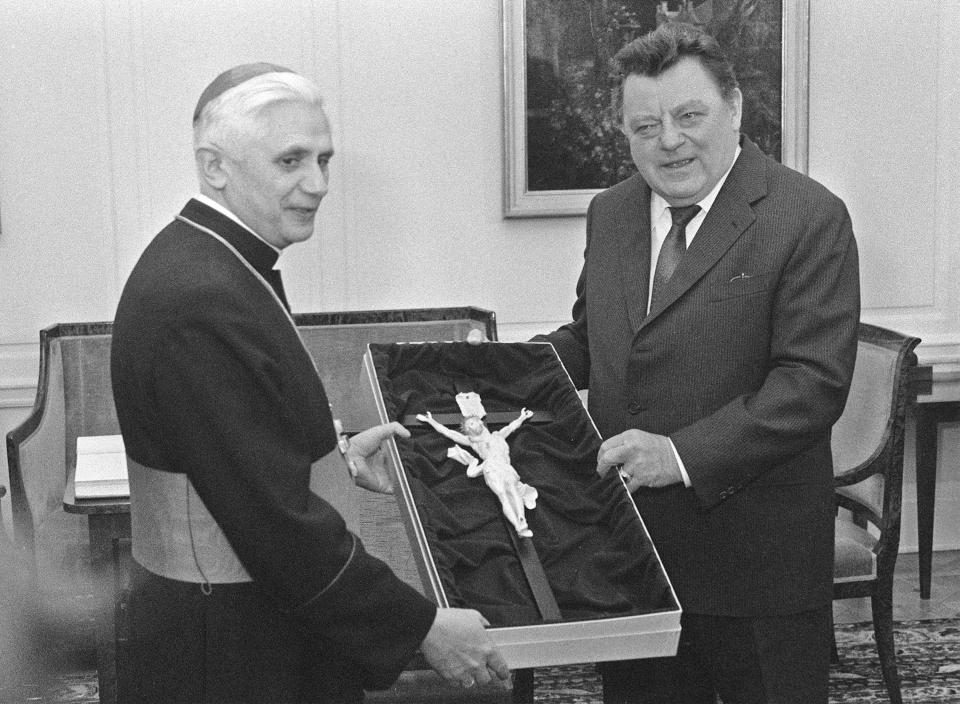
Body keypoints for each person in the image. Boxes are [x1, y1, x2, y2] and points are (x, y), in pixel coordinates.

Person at [110, 63, 510, 704]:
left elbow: (234, 452)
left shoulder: (217, 260)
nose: (318, 183)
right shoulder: (200, 297)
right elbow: (271, 522)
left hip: (243, 623)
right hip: (229, 648)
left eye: (323, 159)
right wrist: (422, 628)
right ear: (216, 166)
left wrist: (337, 455)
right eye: (291, 160)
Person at [539, 23, 860, 704]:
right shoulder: (611, 211)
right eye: (645, 125)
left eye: (690, 116)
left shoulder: (809, 217)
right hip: (634, 561)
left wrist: (677, 455)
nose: (669, 141)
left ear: (736, 108)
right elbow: (593, 338)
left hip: (759, 568)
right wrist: (504, 369)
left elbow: (810, 385)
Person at [416, 406, 539, 538]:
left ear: (481, 422)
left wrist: (522, 417)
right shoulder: (473, 442)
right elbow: (449, 433)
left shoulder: (498, 435)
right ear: (468, 430)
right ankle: (518, 526)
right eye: (470, 424)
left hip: (506, 467)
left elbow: (511, 426)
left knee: (513, 490)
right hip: (491, 468)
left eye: (475, 421)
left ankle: (522, 519)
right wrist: (431, 421)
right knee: (503, 495)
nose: (474, 424)